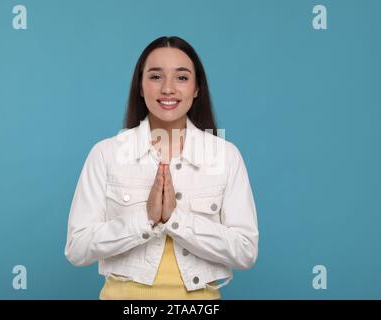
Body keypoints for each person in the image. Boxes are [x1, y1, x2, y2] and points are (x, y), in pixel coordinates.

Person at [64, 36, 259, 300]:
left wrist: (175, 220)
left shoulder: (225, 156)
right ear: (141, 87)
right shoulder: (106, 153)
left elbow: (245, 251)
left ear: (197, 88)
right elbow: (77, 249)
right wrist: (146, 220)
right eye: (155, 77)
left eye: (182, 77)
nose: (168, 89)